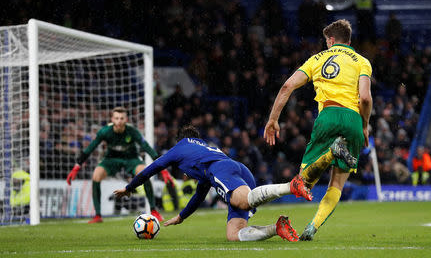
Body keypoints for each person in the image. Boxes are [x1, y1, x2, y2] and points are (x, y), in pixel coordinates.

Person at [264, 19, 372, 241]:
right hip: (353, 119)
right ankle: (312, 227)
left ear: (331, 41)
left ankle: (331, 153)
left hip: (328, 116)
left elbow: (287, 87)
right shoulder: (362, 61)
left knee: (302, 181)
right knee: (337, 184)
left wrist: (273, 119)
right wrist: (364, 125)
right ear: (348, 41)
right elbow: (365, 98)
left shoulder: (316, 59)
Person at [114, 125, 312, 242]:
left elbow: (153, 167)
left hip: (221, 171)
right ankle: (276, 228)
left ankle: (290, 186)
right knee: (233, 234)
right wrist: (182, 216)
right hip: (237, 170)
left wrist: (129, 188)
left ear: (182, 140)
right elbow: (200, 193)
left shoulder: (180, 147)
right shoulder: (206, 149)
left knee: (244, 202)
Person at [66, 107, 173, 223]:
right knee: (96, 175)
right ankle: (97, 215)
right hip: (111, 159)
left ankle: (153, 210)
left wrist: (163, 170)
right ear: (112, 119)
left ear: (126, 120)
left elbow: (148, 148)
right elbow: (90, 148)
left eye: (122, 118)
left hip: (131, 158)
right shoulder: (105, 131)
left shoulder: (132, 131)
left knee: (144, 172)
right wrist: (77, 166)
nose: (119, 121)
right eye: (116, 118)